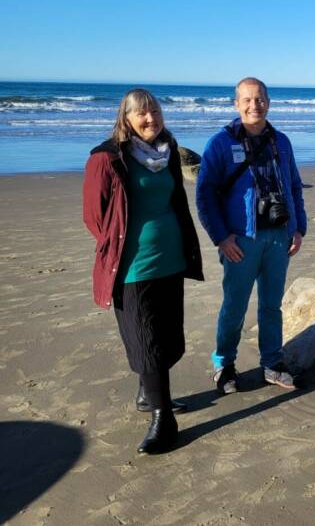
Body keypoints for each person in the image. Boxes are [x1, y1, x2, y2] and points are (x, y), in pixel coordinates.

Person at [82, 88, 204, 454]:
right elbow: (94, 217)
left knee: (167, 336)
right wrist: (121, 243)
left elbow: (175, 198)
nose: (151, 119)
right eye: (142, 114)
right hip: (133, 265)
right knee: (146, 337)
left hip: (171, 258)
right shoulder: (106, 158)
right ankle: (163, 418)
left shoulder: (167, 151)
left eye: (155, 112)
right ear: (126, 119)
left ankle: (145, 393)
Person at [196, 77, 307, 394]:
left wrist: (298, 228)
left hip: (278, 237)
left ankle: (272, 362)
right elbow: (205, 195)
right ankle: (224, 364)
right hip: (240, 239)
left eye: (259, 99)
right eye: (246, 99)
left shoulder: (281, 142)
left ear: (268, 102)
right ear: (236, 104)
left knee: (272, 305)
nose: (253, 105)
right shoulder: (221, 142)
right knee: (234, 305)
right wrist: (221, 237)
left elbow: (295, 186)